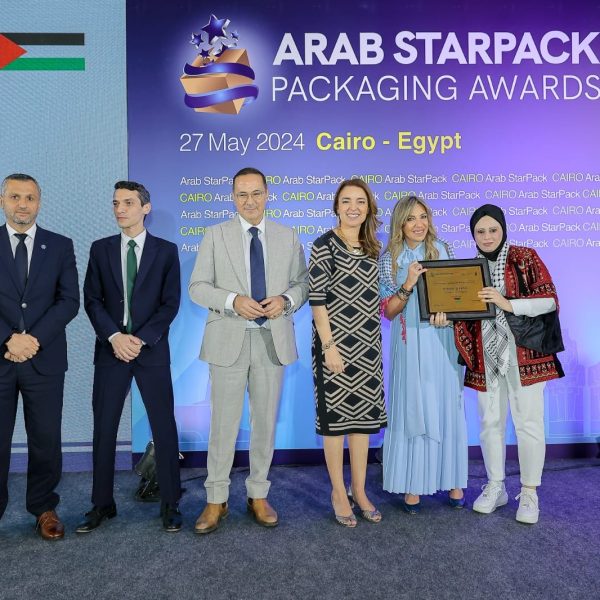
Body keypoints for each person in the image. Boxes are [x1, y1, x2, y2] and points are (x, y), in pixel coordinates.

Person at [189, 167, 308, 534]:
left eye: (256, 193)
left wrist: (285, 300)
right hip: (228, 341)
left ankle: (258, 494)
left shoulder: (288, 236)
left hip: (272, 342)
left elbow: (303, 285)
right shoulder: (215, 235)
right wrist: (232, 300)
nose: (250, 201)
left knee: (265, 424)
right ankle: (216, 499)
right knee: (222, 426)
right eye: (242, 194)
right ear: (233, 197)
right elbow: (197, 287)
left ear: (267, 194)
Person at [78, 180, 182, 533]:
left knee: (164, 426)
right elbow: (92, 299)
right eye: (115, 203)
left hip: (150, 350)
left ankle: (170, 502)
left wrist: (140, 339)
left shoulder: (166, 251)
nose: (120, 209)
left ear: (145, 208)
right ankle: (102, 504)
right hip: (111, 351)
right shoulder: (100, 249)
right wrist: (114, 337)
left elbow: (170, 303)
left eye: (128, 203)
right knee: (104, 428)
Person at [454, 204, 563, 524]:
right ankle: (496, 486)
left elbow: (550, 301)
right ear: (473, 234)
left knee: (529, 423)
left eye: (493, 230)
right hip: (484, 357)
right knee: (490, 423)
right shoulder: (469, 269)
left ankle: (529, 492)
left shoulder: (525, 257)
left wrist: (507, 303)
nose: (487, 236)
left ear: (503, 229)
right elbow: (462, 312)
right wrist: (446, 315)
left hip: (525, 354)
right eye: (480, 231)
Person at [0, 173, 79, 540]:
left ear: (39, 202)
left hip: (43, 358)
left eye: (30, 198)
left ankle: (44, 507)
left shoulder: (60, 246)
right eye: (15, 197)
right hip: (1, 356)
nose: (23, 204)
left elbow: (69, 301)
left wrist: (32, 340)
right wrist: (8, 339)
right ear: (3, 201)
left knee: (45, 439)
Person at [379, 196, 467, 514]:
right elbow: (389, 311)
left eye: (423, 217)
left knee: (446, 404)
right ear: (400, 224)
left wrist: (450, 314)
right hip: (408, 342)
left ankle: (453, 479)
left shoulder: (443, 249)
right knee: (413, 404)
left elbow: (457, 297)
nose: (419, 224)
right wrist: (408, 283)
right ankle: (413, 482)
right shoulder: (389, 258)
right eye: (411, 218)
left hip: (441, 341)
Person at [309, 179, 387, 527]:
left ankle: (359, 489)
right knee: (335, 426)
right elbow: (317, 300)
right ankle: (338, 493)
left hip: (368, 350)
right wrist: (329, 347)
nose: (353, 207)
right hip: (334, 349)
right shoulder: (323, 245)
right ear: (336, 207)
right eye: (346, 201)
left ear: (368, 208)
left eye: (360, 201)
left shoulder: (373, 248)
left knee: (363, 424)